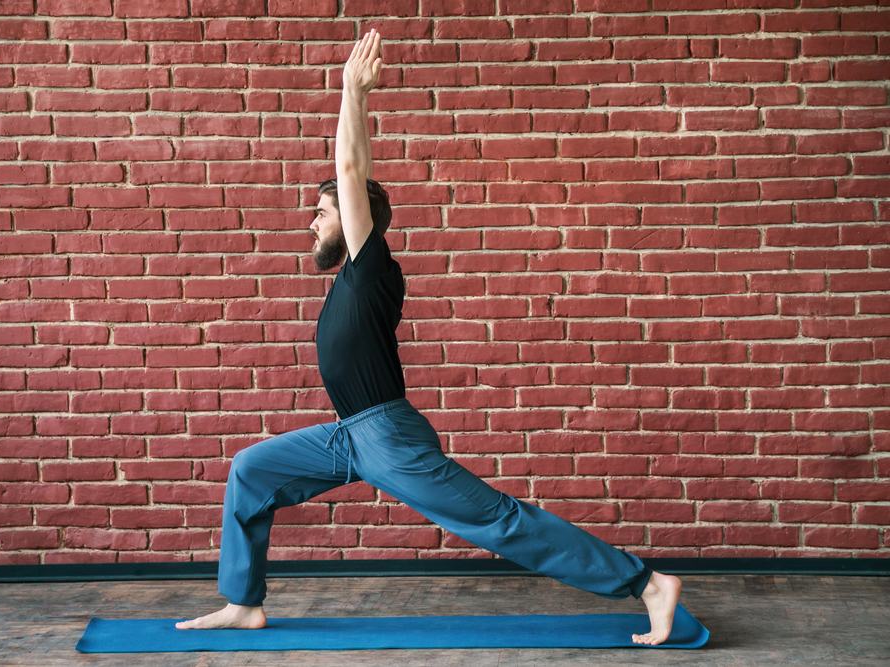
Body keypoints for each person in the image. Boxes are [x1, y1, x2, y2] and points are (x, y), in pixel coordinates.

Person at [177, 30, 682, 646]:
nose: (311, 221)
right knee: (252, 470)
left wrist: (351, 94)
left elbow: (351, 167)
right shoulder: (347, 283)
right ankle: (244, 602)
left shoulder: (370, 268)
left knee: (498, 521)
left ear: (357, 218)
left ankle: (648, 585)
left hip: (386, 436)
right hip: (348, 434)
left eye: (323, 211)